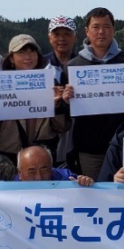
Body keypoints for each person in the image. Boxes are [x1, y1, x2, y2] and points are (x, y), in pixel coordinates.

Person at [62, 7, 124, 180]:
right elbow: (64, 115)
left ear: (114, 30)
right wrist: (65, 100)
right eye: (96, 27)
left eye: (107, 26)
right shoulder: (73, 67)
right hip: (89, 146)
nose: (101, 32)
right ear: (87, 31)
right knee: (93, 193)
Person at [0, 34, 69, 165]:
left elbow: (62, 127)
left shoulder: (51, 84)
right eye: (21, 52)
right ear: (11, 58)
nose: (28, 56)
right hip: (8, 156)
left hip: (43, 156)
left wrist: (56, 106)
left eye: (32, 51)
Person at [44, 15, 78, 165]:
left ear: (75, 37)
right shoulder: (40, 65)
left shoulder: (84, 64)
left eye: (67, 34)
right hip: (48, 133)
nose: (61, 38)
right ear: (49, 37)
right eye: (56, 34)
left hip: (79, 132)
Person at [15, 145, 94, 185]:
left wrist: (86, 184)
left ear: (51, 168)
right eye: (32, 171)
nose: (39, 178)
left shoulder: (66, 178)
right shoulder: (10, 191)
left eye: (44, 170)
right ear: (20, 173)